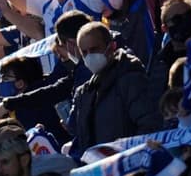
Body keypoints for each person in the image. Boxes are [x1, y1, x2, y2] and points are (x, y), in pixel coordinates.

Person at [67, 22, 161, 155]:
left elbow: (150, 125)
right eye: (84, 52)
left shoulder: (131, 80)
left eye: (94, 49)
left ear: (111, 47)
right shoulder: (84, 92)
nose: (89, 56)